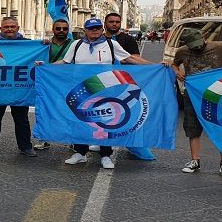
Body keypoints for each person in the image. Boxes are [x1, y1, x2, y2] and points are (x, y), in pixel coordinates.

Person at [56, 17, 154, 170]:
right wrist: (45, 67)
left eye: (97, 28)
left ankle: (106, 155)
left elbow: (130, 58)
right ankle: (80, 153)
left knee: (105, 121)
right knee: (80, 121)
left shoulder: (111, 44)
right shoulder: (77, 44)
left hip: (105, 88)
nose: (94, 31)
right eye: (90, 28)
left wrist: (155, 66)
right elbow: (65, 62)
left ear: (102, 30)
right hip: (82, 88)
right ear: (85, 31)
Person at [173, 28, 222, 178]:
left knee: (220, 125)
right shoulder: (182, 51)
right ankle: (194, 161)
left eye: (198, 43)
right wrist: (176, 71)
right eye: (192, 45)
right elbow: (174, 64)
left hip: (217, 92)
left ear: (203, 38)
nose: (196, 47)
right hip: (193, 93)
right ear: (186, 44)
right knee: (192, 127)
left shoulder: (219, 46)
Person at [0, 17, 35, 158]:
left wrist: (45, 44)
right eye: (6, 27)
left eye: (12, 26)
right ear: (1, 29)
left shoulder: (29, 45)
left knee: (22, 120)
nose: (9, 29)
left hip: (19, 89)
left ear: (18, 28)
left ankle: (26, 147)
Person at [33, 19, 74, 151]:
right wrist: (42, 44)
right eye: (58, 28)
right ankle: (44, 138)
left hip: (67, 83)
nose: (61, 31)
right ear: (53, 29)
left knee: (69, 111)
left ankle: (73, 141)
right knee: (45, 110)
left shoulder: (74, 44)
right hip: (48, 83)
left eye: (65, 29)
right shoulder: (45, 44)